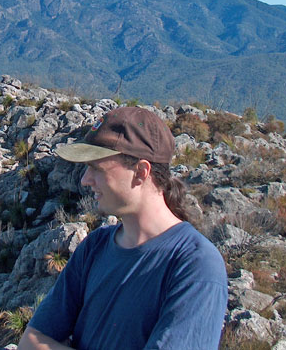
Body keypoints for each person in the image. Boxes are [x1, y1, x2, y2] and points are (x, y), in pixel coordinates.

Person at [18, 106, 228, 350]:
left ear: (141, 172)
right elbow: (31, 342)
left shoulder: (195, 265)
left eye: (96, 167)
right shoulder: (94, 246)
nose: (85, 179)